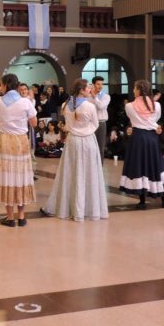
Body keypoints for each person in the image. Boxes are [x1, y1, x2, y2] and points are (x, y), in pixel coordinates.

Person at [42, 78, 108, 221]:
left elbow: (67, 124)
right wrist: (85, 130)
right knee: (88, 173)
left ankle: (69, 206)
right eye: (88, 87)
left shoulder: (66, 104)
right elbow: (96, 124)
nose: (90, 89)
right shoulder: (89, 106)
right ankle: (86, 207)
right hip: (88, 141)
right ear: (81, 90)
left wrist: (75, 130)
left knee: (70, 173)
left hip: (72, 141)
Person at [0, 74, 37, 227]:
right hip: (21, 141)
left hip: (4, 140)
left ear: (5, 85)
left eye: (1, 85)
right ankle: (22, 217)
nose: (0, 87)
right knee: (21, 176)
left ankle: (10, 218)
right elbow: (34, 123)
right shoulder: (25, 102)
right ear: (17, 86)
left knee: (7, 177)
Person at [120, 80, 164, 209]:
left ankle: (142, 201)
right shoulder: (157, 105)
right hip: (152, 138)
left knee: (140, 166)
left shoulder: (129, 106)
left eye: (134, 88)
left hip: (138, 138)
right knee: (156, 165)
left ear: (138, 90)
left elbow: (132, 120)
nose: (133, 91)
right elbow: (156, 119)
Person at [90, 76, 110, 158]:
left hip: (101, 123)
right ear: (93, 85)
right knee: (91, 147)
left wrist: (94, 97)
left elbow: (101, 106)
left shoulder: (106, 96)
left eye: (102, 84)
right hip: (90, 123)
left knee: (100, 147)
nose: (100, 86)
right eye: (98, 84)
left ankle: (100, 169)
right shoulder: (88, 96)